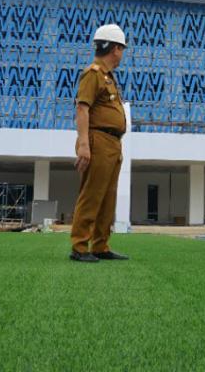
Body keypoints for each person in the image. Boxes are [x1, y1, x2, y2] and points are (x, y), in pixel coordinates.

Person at [70, 24, 130, 263]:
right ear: (114, 48)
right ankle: (79, 246)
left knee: (108, 197)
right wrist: (84, 144)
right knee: (93, 193)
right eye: (121, 49)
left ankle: (100, 245)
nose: (122, 54)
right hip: (98, 139)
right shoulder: (93, 74)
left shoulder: (108, 77)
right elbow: (82, 108)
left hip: (113, 143)